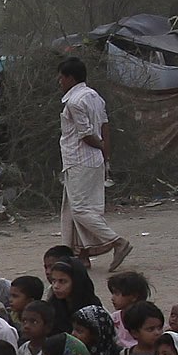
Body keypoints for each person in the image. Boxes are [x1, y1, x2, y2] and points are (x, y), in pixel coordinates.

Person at [51, 51, 129, 270]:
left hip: (79, 160)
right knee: (71, 208)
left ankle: (117, 241)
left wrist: (101, 147)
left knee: (80, 209)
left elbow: (86, 134)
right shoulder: (95, 96)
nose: (59, 81)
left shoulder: (74, 102)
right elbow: (105, 126)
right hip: (90, 161)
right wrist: (106, 157)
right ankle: (81, 255)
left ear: (70, 78)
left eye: (61, 77)